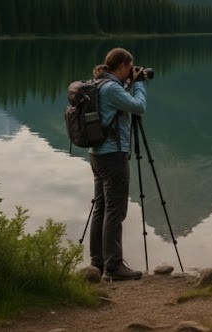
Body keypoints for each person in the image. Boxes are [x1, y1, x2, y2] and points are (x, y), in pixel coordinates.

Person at [88, 47, 148, 281]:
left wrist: (130, 85)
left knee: (101, 208)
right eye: (130, 67)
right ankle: (113, 266)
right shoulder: (112, 88)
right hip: (113, 156)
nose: (132, 71)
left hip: (97, 155)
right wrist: (140, 84)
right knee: (115, 210)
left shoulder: (99, 84)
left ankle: (97, 264)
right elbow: (138, 106)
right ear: (122, 66)